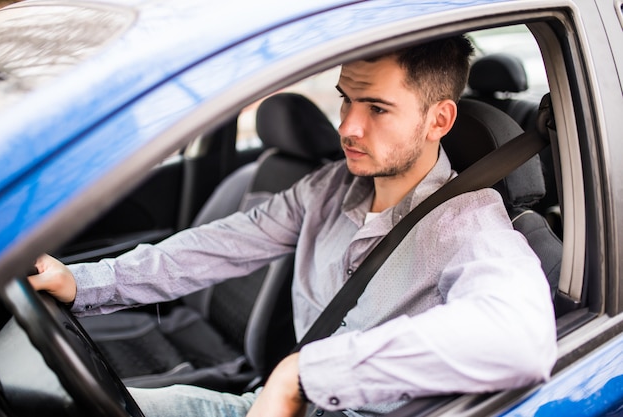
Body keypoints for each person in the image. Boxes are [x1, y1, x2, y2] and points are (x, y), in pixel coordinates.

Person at [29, 35, 557, 417]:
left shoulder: (469, 226)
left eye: (377, 108)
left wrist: (303, 375)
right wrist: (84, 283)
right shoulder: (329, 187)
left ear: (438, 121)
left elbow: (519, 339)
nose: (347, 125)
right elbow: (217, 247)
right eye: (347, 99)